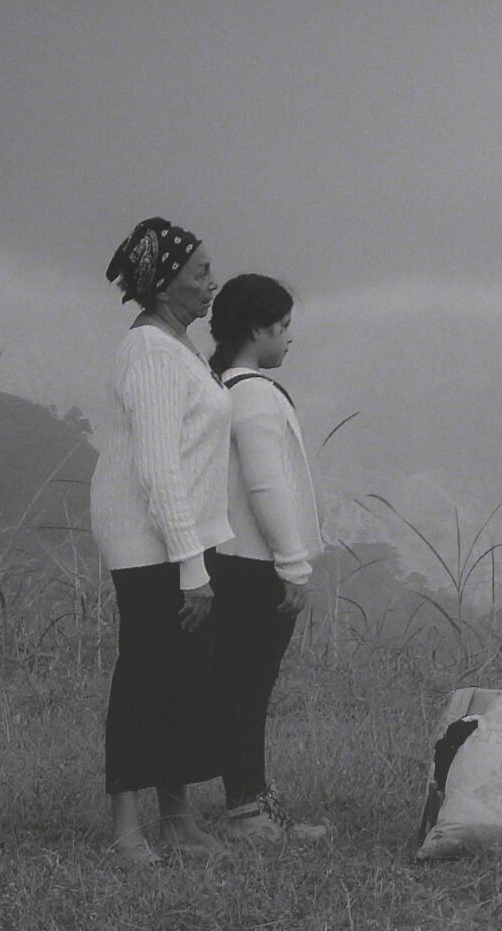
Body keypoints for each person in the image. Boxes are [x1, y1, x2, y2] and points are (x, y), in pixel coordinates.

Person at [89, 217, 237, 865]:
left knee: (184, 676)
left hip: (180, 537)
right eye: (200, 272)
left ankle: (177, 819)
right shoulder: (149, 351)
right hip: (151, 540)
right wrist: (189, 565)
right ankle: (127, 830)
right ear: (166, 281)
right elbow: (157, 464)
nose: (212, 283)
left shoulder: (176, 347)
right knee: (148, 673)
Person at [202, 272, 331, 842]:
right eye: (282, 327)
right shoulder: (252, 393)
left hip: (233, 561)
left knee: (240, 687)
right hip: (253, 565)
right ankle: (248, 812)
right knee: (249, 690)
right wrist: (293, 565)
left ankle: (251, 804)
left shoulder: (223, 387)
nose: (288, 339)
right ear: (256, 330)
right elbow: (265, 485)